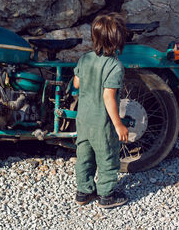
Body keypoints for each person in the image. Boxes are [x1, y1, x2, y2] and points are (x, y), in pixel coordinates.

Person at [73, 12, 129, 209]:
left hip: (83, 119)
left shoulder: (85, 58)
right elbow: (108, 97)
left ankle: (84, 192)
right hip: (101, 123)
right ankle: (106, 195)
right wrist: (118, 124)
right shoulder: (115, 66)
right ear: (118, 40)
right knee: (107, 158)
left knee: (84, 157)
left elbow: (76, 83)